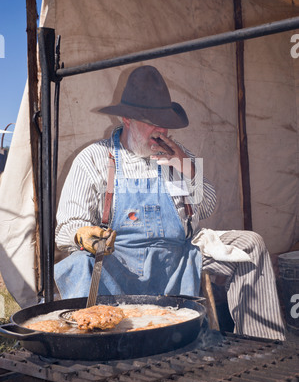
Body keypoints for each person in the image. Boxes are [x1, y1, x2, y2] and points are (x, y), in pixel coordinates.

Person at [54, 65, 285, 341]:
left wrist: (188, 169)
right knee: (78, 263)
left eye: (164, 121)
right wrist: (81, 234)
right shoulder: (93, 159)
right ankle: (89, 350)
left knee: (251, 245)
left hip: (176, 265)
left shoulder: (177, 155)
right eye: (152, 120)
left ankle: (263, 347)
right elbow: (65, 228)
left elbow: (208, 206)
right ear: (127, 118)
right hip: (116, 269)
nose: (161, 129)